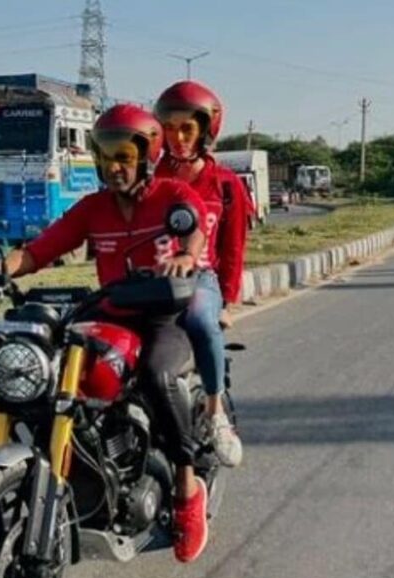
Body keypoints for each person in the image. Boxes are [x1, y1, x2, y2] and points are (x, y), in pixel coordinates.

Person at [0, 104, 212, 563]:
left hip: (161, 315)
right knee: (58, 378)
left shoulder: (171, 194)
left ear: (145, 155)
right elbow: (39, 251)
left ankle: (186, 487)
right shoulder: (92, 208)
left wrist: (187, 257)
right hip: (111, 313)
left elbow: (194, 229)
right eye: (105, 154)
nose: (114, 166)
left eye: (123, 155)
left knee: (158, 375)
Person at [153, 80, 246, 468]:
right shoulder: (150, 179)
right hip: (153, 281)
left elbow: (233, 247)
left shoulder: (226, 185)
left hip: (200, 279)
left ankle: (215, 413)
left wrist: (228, 301)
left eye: (187, 128)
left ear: (207, 129)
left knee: (201, 322)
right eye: (168, 129)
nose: (177, 138)